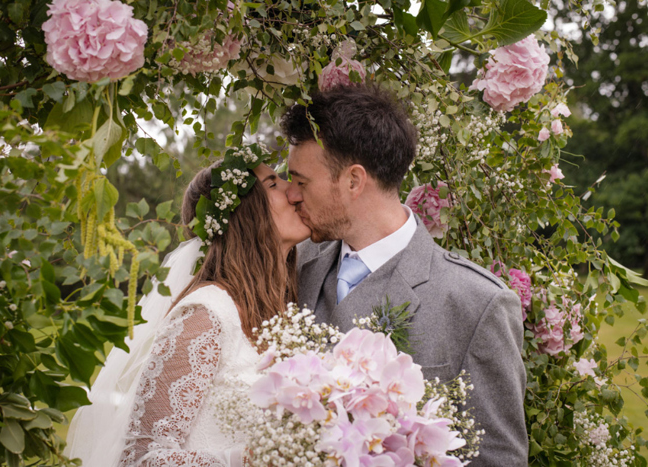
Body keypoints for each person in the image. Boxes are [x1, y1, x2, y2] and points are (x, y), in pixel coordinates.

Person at [281, 85, 528, 466]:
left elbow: (498, 459)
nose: (292, 196)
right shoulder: (293, 263)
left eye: (301, 182)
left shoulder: (478, 304)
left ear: (353, 181)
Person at [64, 144, 310, 466]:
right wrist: (247, 461)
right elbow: (143, 457)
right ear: (246, 214)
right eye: (274, 184)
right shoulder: (206, 314)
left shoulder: (285, 313)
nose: (295, 193)